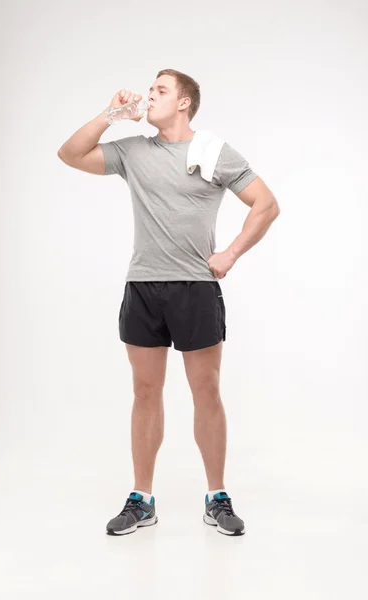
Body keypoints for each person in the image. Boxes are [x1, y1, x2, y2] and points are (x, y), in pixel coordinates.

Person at [57, 68, 280, 537]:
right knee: (144, 392)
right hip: (143, 286)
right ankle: (142, 498)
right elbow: (70, 154)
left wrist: (231, 253)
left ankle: (216, 495)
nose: (149, 94)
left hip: (195, 289)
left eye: (160, 89)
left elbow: (266, 204)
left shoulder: (214, 152)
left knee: (207, 391)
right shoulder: (134, 151)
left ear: (183, 102)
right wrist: (111, 115)